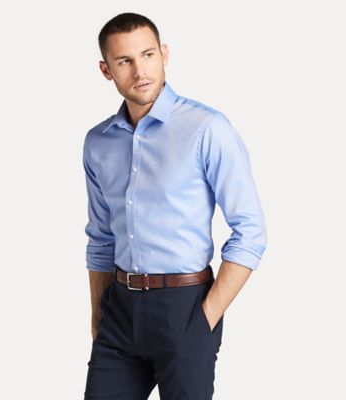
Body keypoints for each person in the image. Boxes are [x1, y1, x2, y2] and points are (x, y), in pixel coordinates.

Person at [82, 12, 267, 400]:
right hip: (119, 311)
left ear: (164, 54)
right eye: (124, 61)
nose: (140, 71)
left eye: (148, 55)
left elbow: (250, 231)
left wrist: (205, 319)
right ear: (106, 70)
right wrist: (99, 316)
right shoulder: (98, 142)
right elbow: (100, 239)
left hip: (185, 307)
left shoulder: (207, 129)